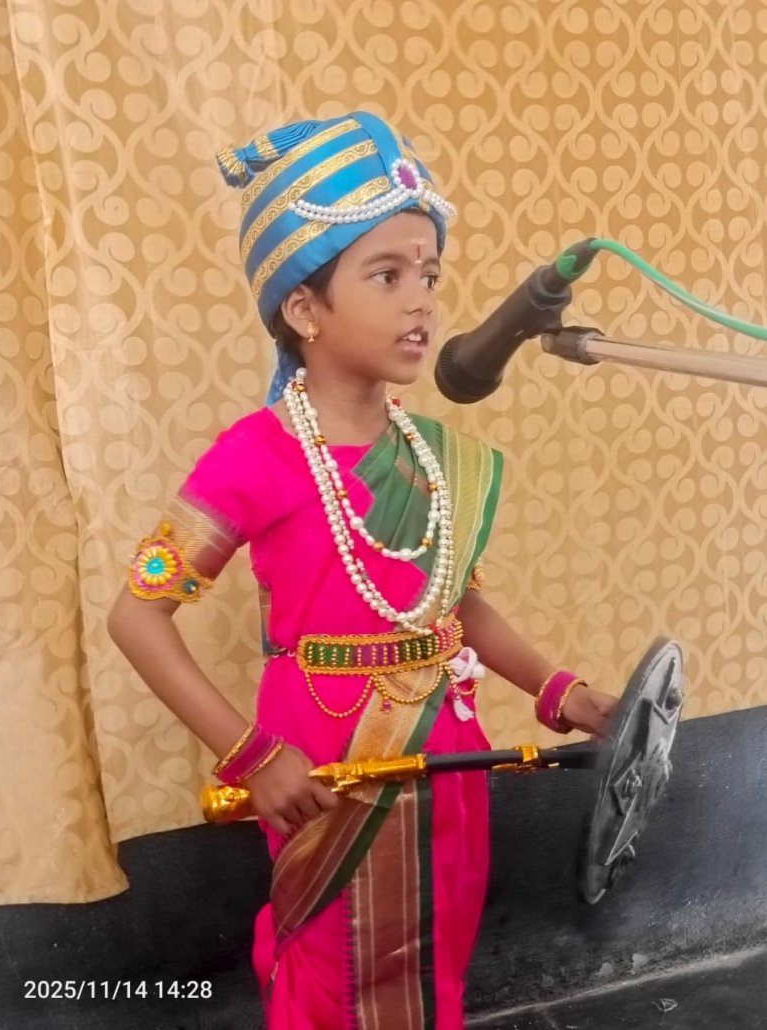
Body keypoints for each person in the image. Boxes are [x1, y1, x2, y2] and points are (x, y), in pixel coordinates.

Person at [107, 110, 617, 1029]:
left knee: (434, 959)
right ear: (303, 309)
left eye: (429, 274)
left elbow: (454, 603)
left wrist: (561, 692)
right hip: (324, 756)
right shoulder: (254, 455)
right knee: (334, 974)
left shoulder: (433, 458)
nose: (420, 301)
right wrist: (252, 755)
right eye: (386, 275)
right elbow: (135, 616)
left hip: (447, 747)